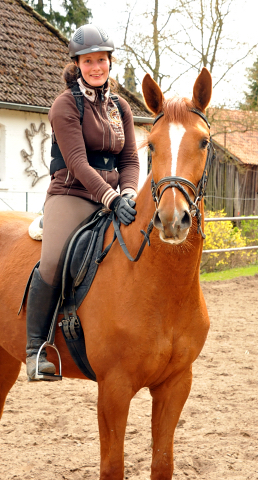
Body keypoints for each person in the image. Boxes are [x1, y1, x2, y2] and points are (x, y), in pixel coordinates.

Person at [26, 24, 140, 381]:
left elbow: (131, 161)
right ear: (78, 63)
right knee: (55, 259)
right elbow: (77, 161)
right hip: (71, 195)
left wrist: (130, 194)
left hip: (114, 198)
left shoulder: (119, 106)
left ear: (109, 63)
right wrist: (109, 198)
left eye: (102, 60)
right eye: (88, 61)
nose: (96, 67)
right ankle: (36, 349)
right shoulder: (65, 104)